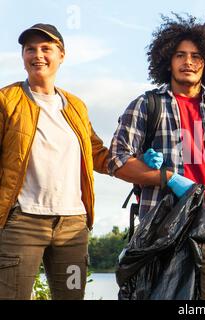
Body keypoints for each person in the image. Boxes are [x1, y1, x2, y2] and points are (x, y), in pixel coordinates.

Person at [108, 13, 205, 300]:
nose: (188, 62)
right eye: (180, 55)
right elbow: (117, 161)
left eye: (196, 56)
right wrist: (166, 177)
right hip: (159, 227)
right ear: (167, 60)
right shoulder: (146, 105)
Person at [0, 24, 109, 300]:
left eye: (46, 49)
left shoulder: (76, 106)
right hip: (21, 222)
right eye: (30, 49)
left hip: (72, 225)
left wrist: (140, 165)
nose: (38, 55)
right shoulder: (5, 100)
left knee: (71, 297)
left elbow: (97, 153)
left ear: (61, 55)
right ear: (23, 56)